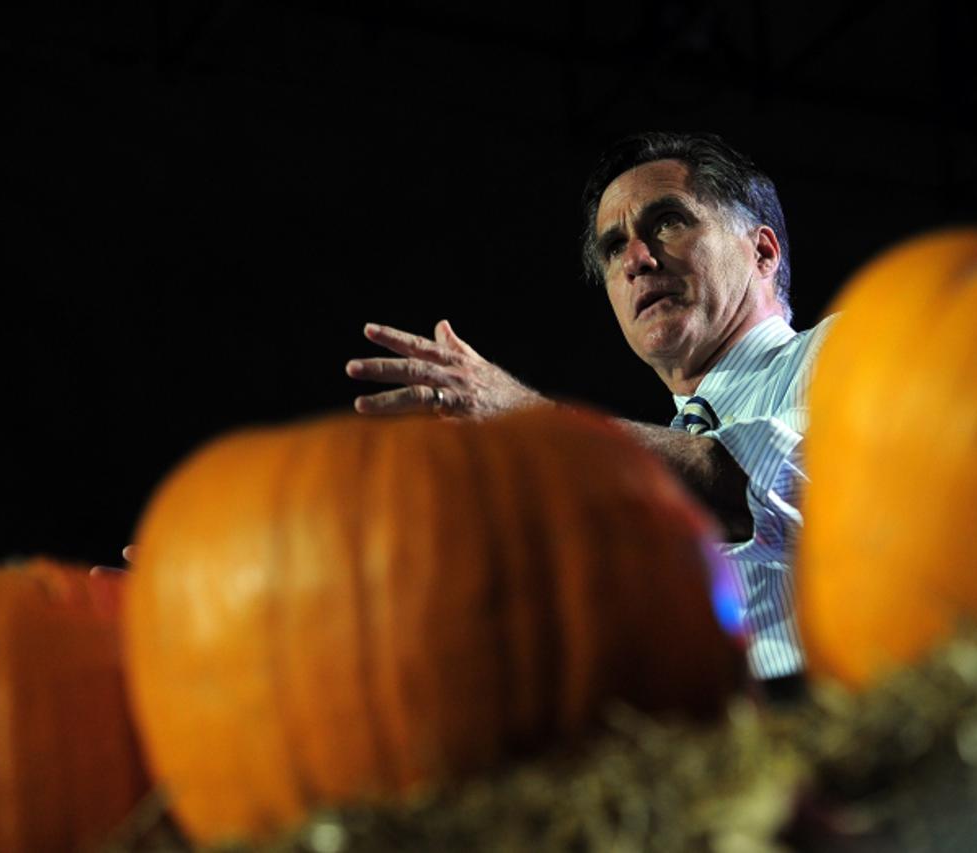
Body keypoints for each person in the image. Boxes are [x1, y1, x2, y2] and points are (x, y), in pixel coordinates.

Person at [346, 132, 836, 695]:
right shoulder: (640, 464)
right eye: (613, 248)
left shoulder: (844, 355)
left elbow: (794, 490)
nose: (637, 260)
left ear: (763, 252)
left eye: (668, 222)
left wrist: (536, 422)